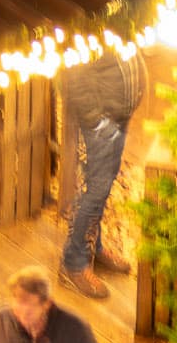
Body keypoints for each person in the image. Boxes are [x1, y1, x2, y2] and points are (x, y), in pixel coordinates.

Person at [54, 39, 148, 301]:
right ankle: (73, 263)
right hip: (102, 121)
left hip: (118, 114)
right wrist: (96, 120)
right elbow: (75, 77)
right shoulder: (88, 25)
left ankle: (92, 246)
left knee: (103, 186)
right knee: (94, 190)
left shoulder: (120, 12)